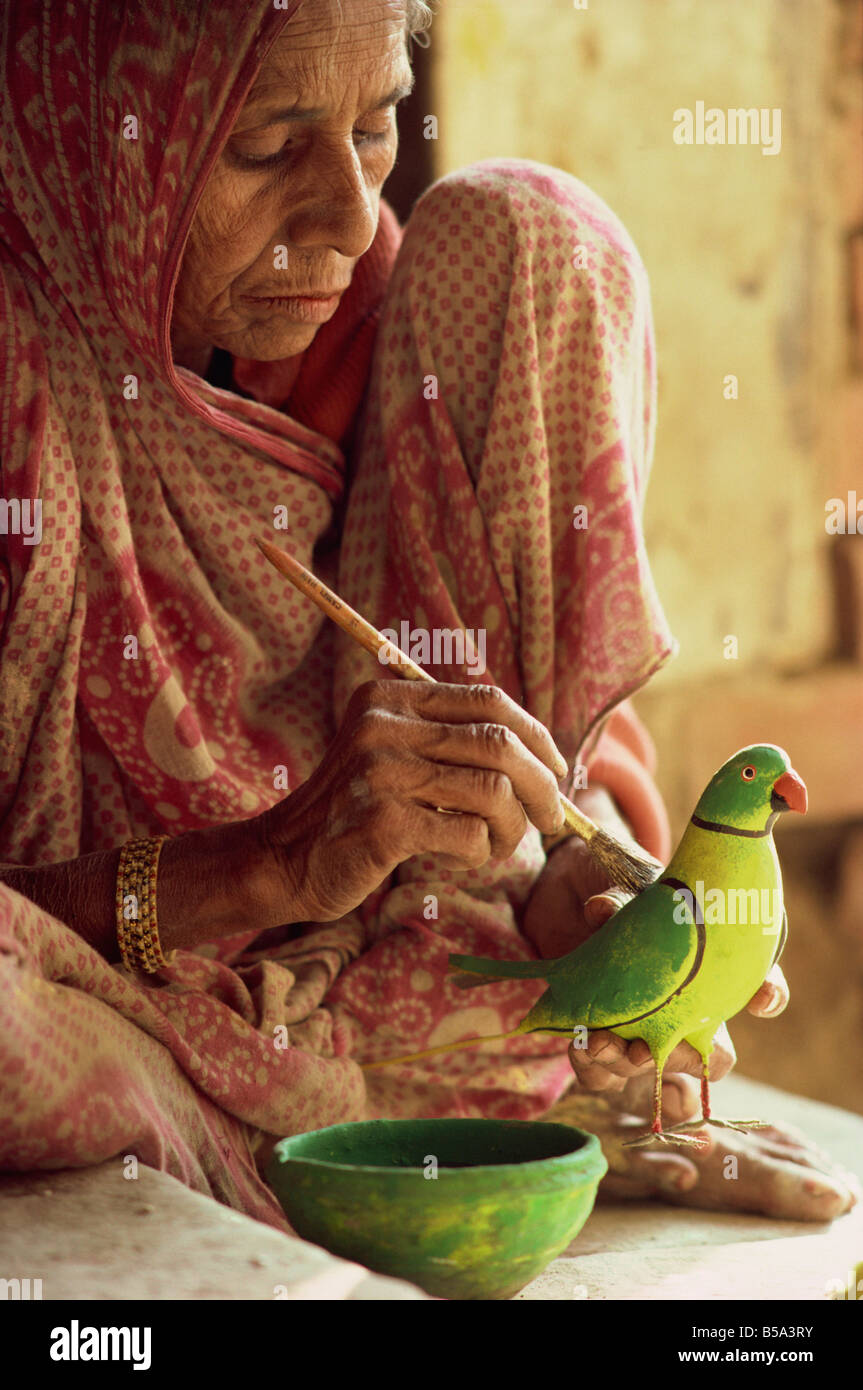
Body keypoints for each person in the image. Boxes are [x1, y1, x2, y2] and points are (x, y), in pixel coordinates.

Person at [0, 0, 855, 1234]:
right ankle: (322, 1127)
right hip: (100, 993)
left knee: (531, 235)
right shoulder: (29, 362)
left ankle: (499, 1099)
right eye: (264, 147)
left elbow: (570, 748)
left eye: (380, 121)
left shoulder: (411, 311)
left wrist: (580, 873)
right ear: (107, 127)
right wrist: (263, 864)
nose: (350, 219)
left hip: (390, 990)